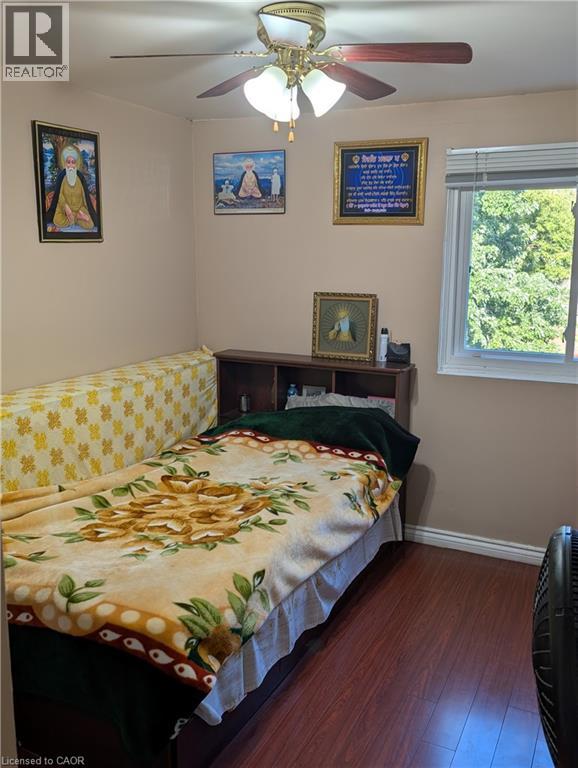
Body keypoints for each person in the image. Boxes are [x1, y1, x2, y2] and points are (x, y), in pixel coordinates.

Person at [46, 146, 98, 230]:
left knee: (90, 224)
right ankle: (76, 218)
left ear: (76, 164)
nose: (70, 165)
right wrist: (66, 207)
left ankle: (76, 217)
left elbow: (85, 197)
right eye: (68, 162)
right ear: (65, 163)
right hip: (64, 209)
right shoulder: (62, 177)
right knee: (57, 220)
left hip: (79, 209)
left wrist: (87, 211)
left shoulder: (80, 177)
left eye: (73, 162)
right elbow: (59, 195)